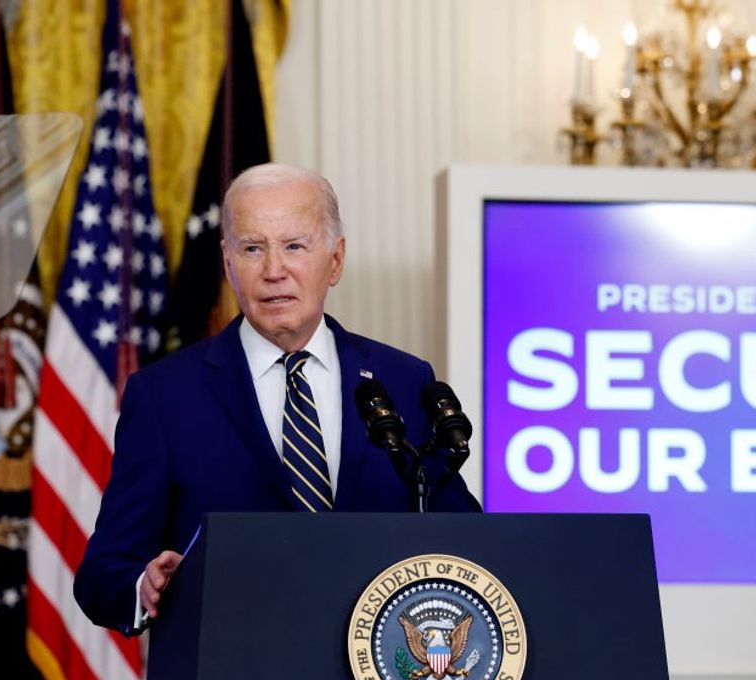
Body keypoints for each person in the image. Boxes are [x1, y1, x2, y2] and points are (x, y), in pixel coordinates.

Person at [73, 164, 480, 636]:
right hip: (232, 663)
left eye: (294, 246)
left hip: (377, 664)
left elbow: (467, 542)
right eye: (252, 248)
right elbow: (103, 573)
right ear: (227, 262)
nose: (273, 271)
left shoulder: (403, 381)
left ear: (335, 260)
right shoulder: (164, 396)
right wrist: (145, 584)